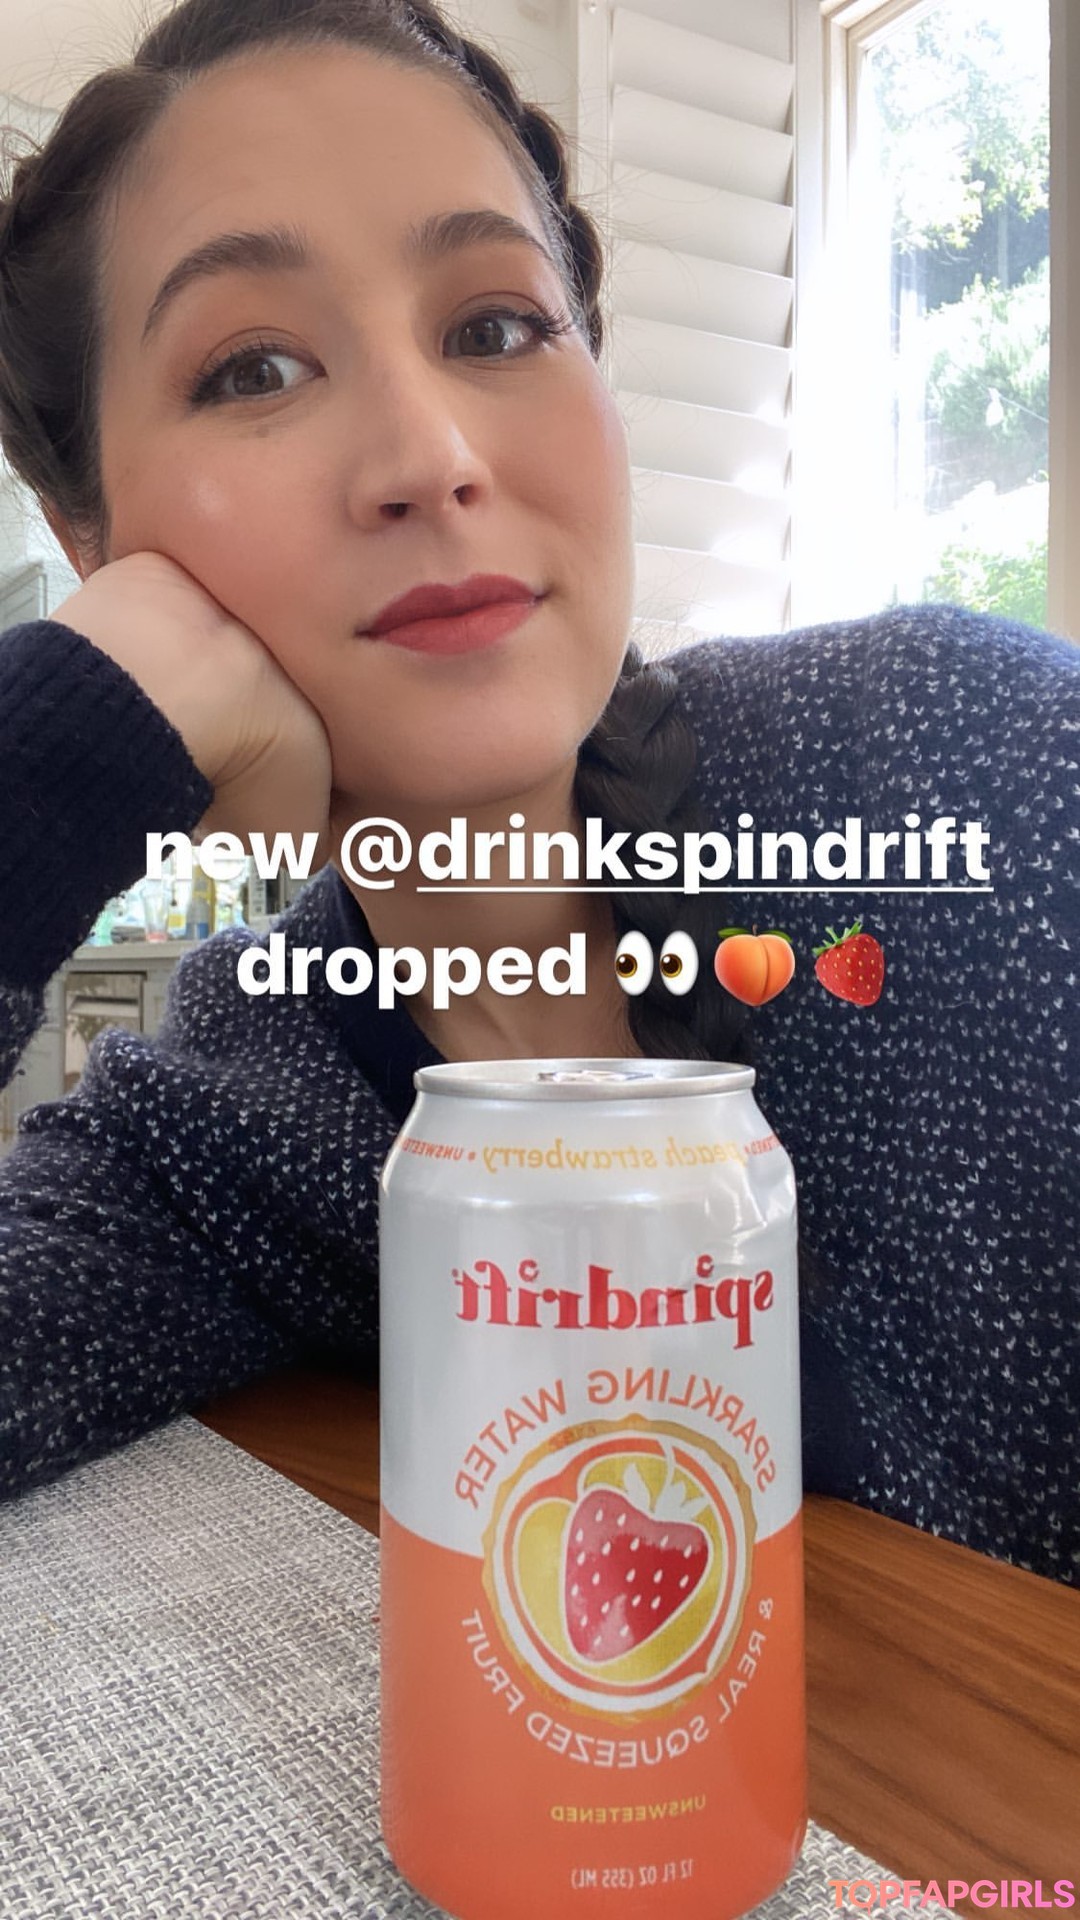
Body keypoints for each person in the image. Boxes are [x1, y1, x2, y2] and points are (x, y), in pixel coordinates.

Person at [0, 0, 1076, 1587]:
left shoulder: (971, 766)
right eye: (256, 367)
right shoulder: (235, 1129)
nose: (429, 454)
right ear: (89, 537)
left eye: (497, 330)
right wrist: (60, 741)